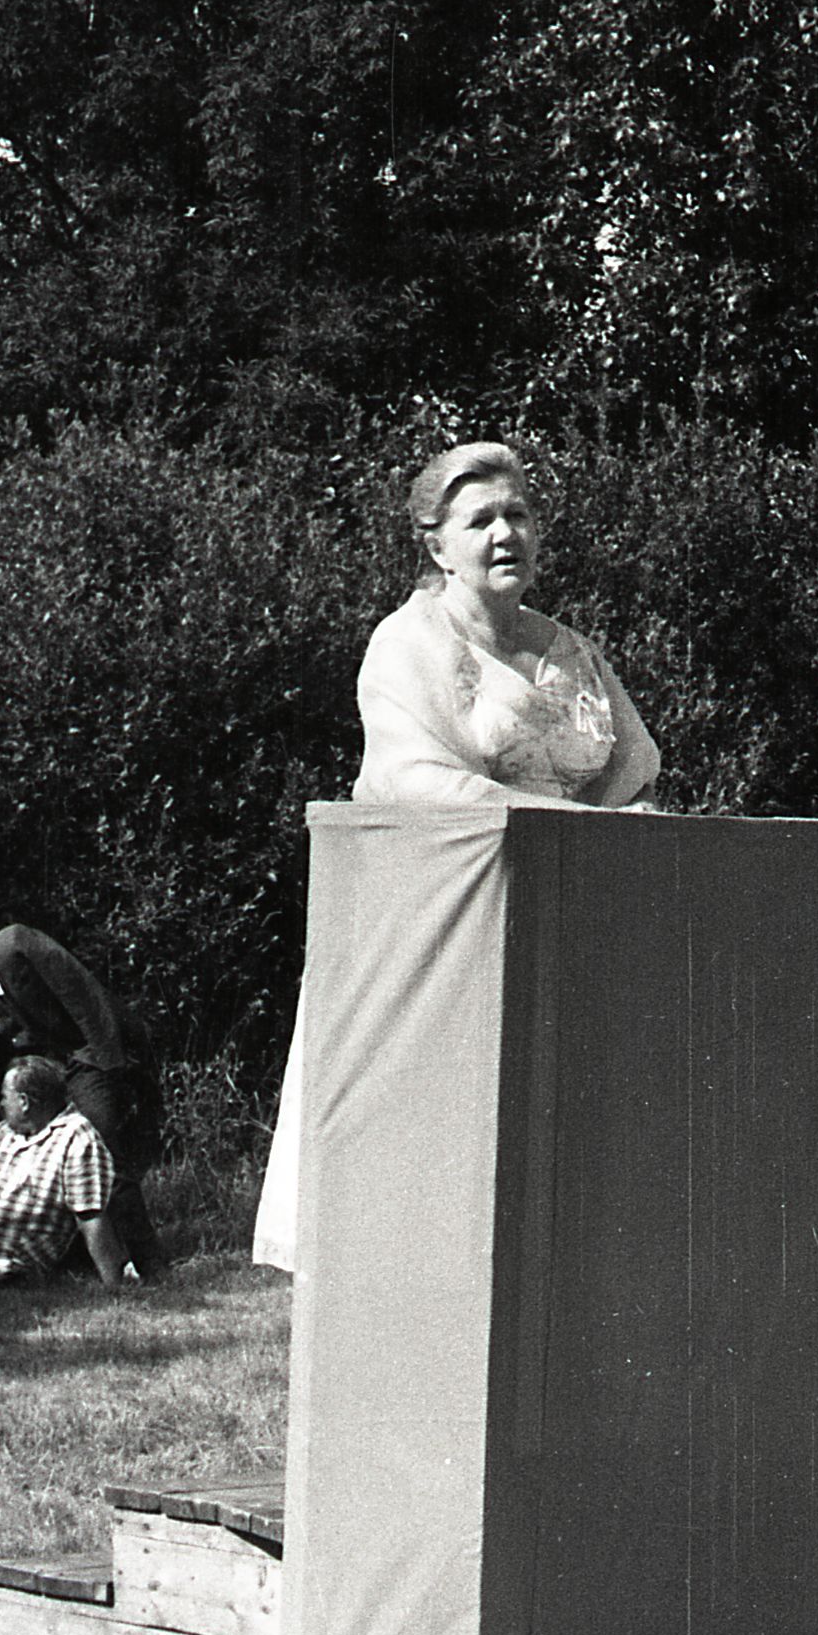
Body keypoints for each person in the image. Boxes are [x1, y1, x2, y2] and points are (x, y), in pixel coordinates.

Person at [254, 441, 660, 1272]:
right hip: (439, 940)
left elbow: (633, 774)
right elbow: (419, 782)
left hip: (568, 928)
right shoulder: (405, 645)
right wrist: (576, 826)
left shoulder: (573, 651)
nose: (506, 532)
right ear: (437, 544)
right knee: (432, 1209)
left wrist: (636, 832)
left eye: (519, 513)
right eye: (481, 519)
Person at [0, 911, 162, 1274]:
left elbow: (86, 996)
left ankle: (150, 1264)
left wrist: (111, 1070)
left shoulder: (14, 944)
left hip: (84, 1059)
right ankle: (88, 1258)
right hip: (40, 1079)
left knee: (103, 1151)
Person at [0, 1056, 131, 1287]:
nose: (1, 1103)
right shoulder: (3, 1131)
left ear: (25, 1102)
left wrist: (113, 1287)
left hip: (4, 1271)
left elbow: (90, 1217)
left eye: (5, 1097)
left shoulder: (76, 1138)